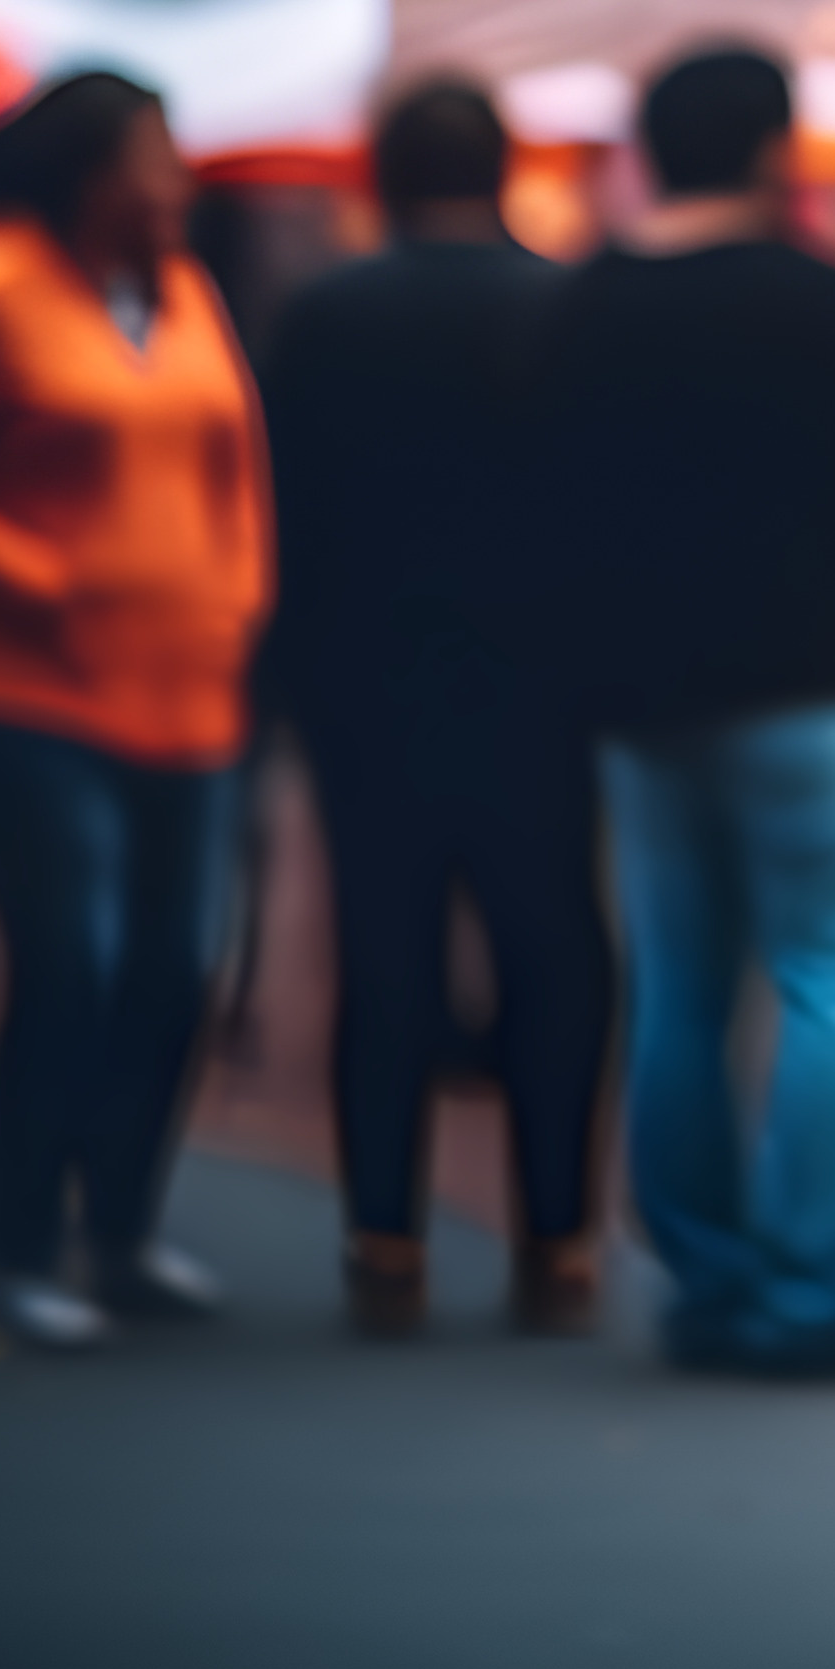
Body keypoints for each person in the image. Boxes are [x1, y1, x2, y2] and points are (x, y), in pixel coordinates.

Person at [534, 46, 835, 1381]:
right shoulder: (818, 297)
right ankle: (810, 1282)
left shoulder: (587, 302)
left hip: (646, 698)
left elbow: (552, 501)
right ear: (776, 149)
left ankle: (703, 1273)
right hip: (820, 688)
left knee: (680, 987)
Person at [0, 69, 267, 1352]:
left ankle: (124, 1228)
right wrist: (35, 574)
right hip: (27, 691)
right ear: (92, 173)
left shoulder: (185, 290)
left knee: (177, 967)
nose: (179, 178)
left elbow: (233, 463)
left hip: (187, 695)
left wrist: (238, 598)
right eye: (157, 154)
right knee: (72, 958)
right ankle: (24, 1242)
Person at [256, 76, 602, 1339]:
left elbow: (281, 510)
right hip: (542, 685)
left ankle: (384, 1237)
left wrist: (285, 678)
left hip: (367, 682)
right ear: (504, 168)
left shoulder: (322, 315)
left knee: (384, 953)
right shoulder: (567, 308)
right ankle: (556, 1238)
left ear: (380, 174)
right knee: (553, 954)